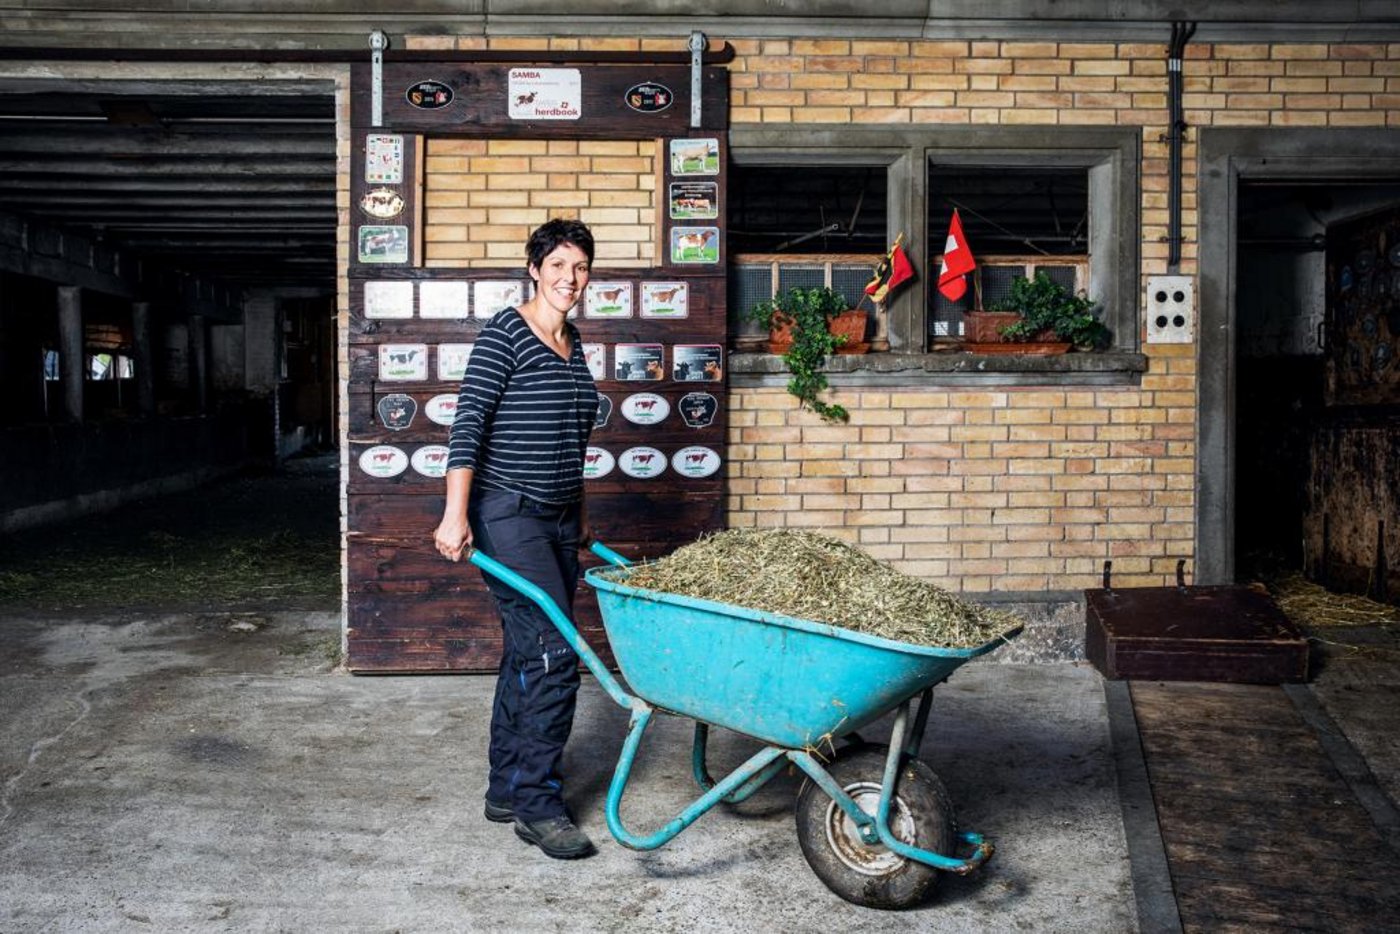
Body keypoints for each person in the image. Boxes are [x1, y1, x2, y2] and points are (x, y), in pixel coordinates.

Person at [433, 218, 601, 860]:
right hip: (507, 514)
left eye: (580, 266)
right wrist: (456, 515)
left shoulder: (574, 342)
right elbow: (467, 428)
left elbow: (572, 438)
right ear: (534, 269)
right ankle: (537, 804)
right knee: (556, 655)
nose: (570, 278)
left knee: (527, 652)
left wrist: (579, 514)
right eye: (558, 264)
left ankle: (506, 787)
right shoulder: (506, 333)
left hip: (558, 518)